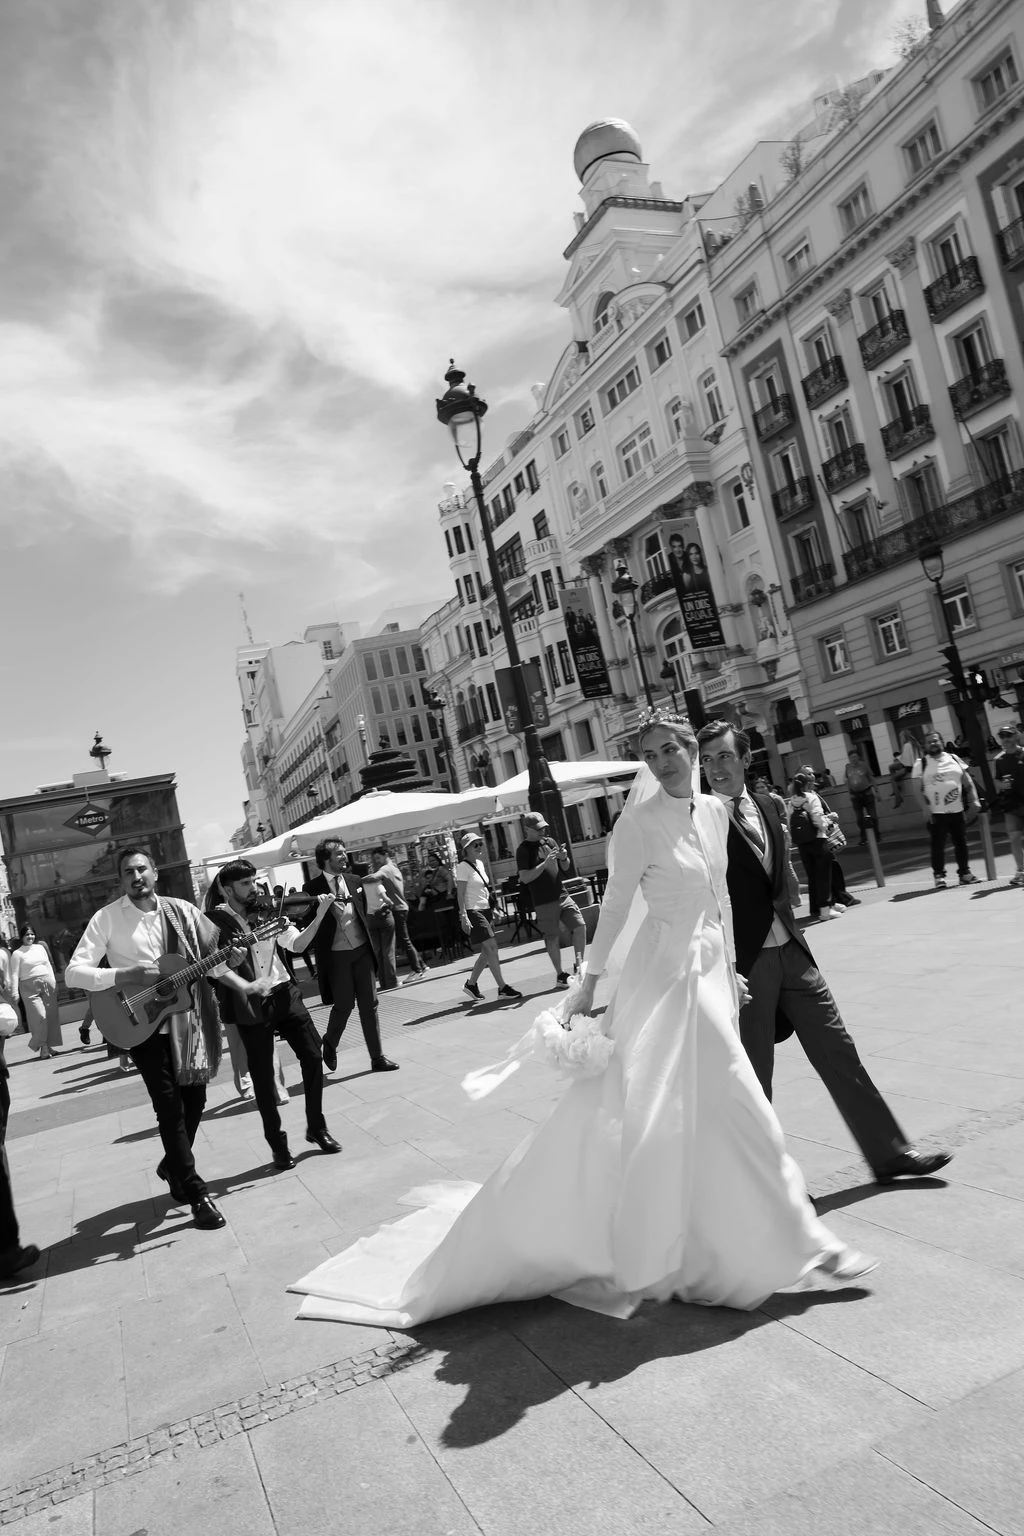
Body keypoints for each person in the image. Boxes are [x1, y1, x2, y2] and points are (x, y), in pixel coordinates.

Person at [289, 709, 878, 1330]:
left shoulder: (712, 810)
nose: (662, 762)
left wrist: (730, 967)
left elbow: (721, 899)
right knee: (739, 1099)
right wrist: (588, 983)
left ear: (691, 751)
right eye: (651, 754)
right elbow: (616, 906)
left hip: (710, 973)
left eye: (670, 749)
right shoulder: (637, 825)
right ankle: (808, 1243)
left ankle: (709, 1238)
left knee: (701, 1113)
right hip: (666, 977)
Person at [697, 720, 951, 1183]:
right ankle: (772, 1187)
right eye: (708, 759)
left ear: (746, 759)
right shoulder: (698, 819)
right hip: (745, 966)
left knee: (840, 1051)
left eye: (725, 756)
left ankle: (891, 1154)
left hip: (794, 952)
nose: (716, 767)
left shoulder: (768, 805)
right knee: (755, 1077)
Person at [64, 847, 237, 1229]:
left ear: (155, 872)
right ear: (121, 880)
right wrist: (122, 976)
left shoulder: (180, 912)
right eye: (128, 872)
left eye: (142, 868)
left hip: (186, 1021)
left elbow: (209, 960)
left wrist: (234, 964)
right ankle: (195, 1193)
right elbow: (74, 973)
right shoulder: (107, 918)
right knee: (169, 1108)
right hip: (141, 1027)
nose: (136, 876)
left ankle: (172, 1165)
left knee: (196, 1101)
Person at [204, 862, 340, 1169]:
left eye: (254, 881)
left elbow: (298, 944)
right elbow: (213, 968)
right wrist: (234, 963)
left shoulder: (267, 911)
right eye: (245, 884)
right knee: (264, 1078)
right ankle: (278, 1145)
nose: (254, 888)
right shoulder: (214, 922)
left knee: (312, 1056)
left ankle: (317, 1127)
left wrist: (320, 914)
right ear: (227, 889)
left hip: (284, 992)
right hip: (251, 1003)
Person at [298, 840, 398, 1075]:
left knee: (370, 1004)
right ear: (326, 859)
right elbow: (308, 922)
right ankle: (330, 1042)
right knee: (344, 1005)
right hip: (336, 956)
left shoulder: (354, 880)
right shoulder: (311, 887)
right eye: (339, 854)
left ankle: (377, 1058)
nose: (345, 857)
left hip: (362, 951)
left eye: (344, 853)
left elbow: (363, 911)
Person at [515, 812, 586, 988]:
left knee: (580, 926)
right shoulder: (523, 850)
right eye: (538, 828)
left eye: (543, 827)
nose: (542, 831)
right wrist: (544, 864)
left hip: (562, 894)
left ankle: (579, 966)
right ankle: (560, 975)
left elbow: (566, 867)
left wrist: (564, 857)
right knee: (552, 938)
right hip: (543, 901)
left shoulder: (550, 842)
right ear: (527, 829)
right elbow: (524, 877)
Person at [456, 834, 523, 1002]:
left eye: (480, 844)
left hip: (485, 909)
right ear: (466, 849)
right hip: (473, 911)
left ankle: (471, 984)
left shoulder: (479, 864)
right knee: (492, 947)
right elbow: (460, 893)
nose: (479, 847)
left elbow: (484, 889)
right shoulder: (462, 867)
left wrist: (494, 908)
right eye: (475, 845)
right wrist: (463, 915)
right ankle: (502, 988)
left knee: (487, 952)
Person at [912, 732, 981, 889]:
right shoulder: (921, 763)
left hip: (957, 810)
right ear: (925, 746)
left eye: (935, 741)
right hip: (936, 813)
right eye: (929, 742)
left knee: (961, 843)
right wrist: (924, 808)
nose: (933, 744)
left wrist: (974, 799)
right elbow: (916, 789)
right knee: (938, 845)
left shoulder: (954, 758)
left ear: (942, 742)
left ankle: (964, 874)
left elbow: (967, 781)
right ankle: (939, 876)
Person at [786, 773, 842, 922]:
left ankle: (822, 907)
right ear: (807, 784)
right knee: (824, 876)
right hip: (818, 840)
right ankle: (825, 911)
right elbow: (818, 819)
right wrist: (828, 822)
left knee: (813, 876)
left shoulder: (791, 802)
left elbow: (789, 822)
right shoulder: (811, 798)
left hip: (802, 844)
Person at [367, 848, 428, 984]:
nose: (376, 861)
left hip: (397, 908)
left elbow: (374, 877)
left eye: (377, 858)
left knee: (404, 940)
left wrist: (359, 880)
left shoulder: (385, 868)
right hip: (402, 907)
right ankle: (421, 965)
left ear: (385, 855)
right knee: (404, 939)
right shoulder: (394, 868)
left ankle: (417, 970)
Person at [9, 925, 62, 1059]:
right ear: (22, 937)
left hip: (47, 983)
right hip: (28, 987)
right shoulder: (17, 953)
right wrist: (15, 992)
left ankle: (48, 1047)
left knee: (50, 1016)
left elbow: (48, 964)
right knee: (39, 1016)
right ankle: (42, 1046)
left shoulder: (40, 948)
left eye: (32, 934)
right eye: (27, 934)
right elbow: (14, 974)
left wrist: (54, 982)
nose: (30, 937)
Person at [993, 723, 1024, 887]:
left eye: (1008, 735)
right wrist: (1001, 785)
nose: (1005, 739)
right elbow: (997, 780)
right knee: (1014, 837)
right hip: (1011, 804)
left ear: (1016, 736)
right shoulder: (999, 760)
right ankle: (1021, 871)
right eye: (1002, 736)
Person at [843, 750, 879, 845]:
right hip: (855, 795)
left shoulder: (864, 765)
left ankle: (876, 835)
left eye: (855, 757)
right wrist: (849, 793)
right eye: (851, 758)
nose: (853, 759)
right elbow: (847, 781)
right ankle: (864, 837)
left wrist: (876, 790)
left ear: (858, 757)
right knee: (859, 819)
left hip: (867, 793)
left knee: (873, 816)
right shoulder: (848, 767)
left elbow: (871, 778)